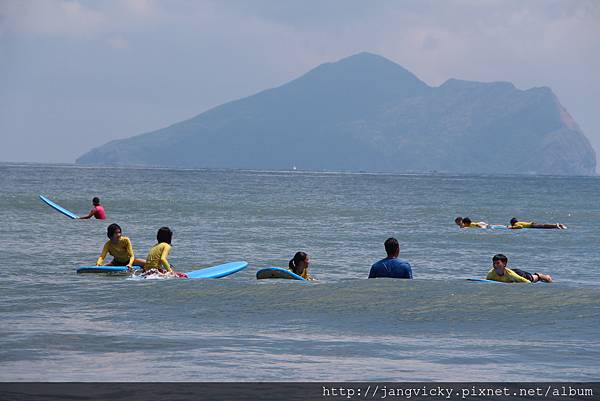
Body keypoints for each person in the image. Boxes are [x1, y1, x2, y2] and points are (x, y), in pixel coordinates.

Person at [486, 254, 553, 283]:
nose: (495, 265)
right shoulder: (490, 274)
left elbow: (528, 283)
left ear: (504, 264)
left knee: (533, 278)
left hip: (520, 274)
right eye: (494, 263)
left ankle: (544, 276)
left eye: (498, 263)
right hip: (512, 273)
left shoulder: (511, 275)